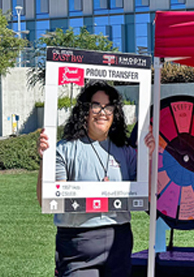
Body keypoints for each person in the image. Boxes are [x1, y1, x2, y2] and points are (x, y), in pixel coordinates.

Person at [36, 81, 155, 277]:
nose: (102, 112)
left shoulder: (126, 153)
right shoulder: (63, 149)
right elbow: (47, 200)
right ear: (84, 111)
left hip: (119, 241)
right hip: (77, 245)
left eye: (108, 107)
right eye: (96, 106)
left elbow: (148, 197)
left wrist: (149, 158)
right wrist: (44, 160)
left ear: (115, 113)